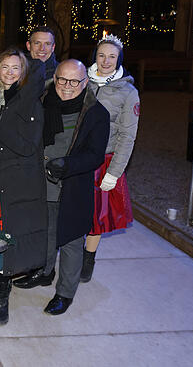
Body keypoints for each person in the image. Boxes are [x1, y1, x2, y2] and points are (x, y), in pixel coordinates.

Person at [16, 59, 109, 316]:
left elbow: (95, 155)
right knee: (44, 233)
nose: (67, 86)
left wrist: (67, 164)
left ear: (85, 82)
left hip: (72, 185)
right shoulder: (43, 102)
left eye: (74, 81)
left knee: (70, 240)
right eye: (61, 80)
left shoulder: (96, 113)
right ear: (54, 78)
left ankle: (65, 293)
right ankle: (44, 272)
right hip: (39, 184)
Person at [0, 48, 47, 325]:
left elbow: (27, 146)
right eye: (5, 67)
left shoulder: (30, 104)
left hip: (16, 179)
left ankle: (3, 293)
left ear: (23, 73)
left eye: (16, 68)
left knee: (10, 234)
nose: (9, 73)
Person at [81, 35, 139, 283]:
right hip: (76, 157)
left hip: (103, 160)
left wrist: (114, 172)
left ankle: (88, 258)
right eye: (102, 55)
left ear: (119, 60)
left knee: (96, 215)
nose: (106, 61)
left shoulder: (128, 92)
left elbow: (128, 135)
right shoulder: (81, 79)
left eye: (112, 56)